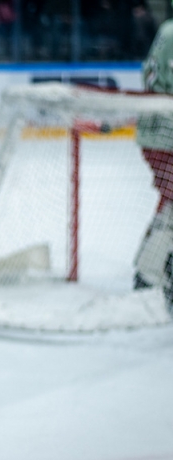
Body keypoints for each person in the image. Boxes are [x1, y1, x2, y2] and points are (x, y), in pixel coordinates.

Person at [135, 14, 173, 312]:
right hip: (166, 133)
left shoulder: (167, 29)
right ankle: (150, 274)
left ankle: (150, 270)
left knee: (170, 202)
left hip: (154, 130)